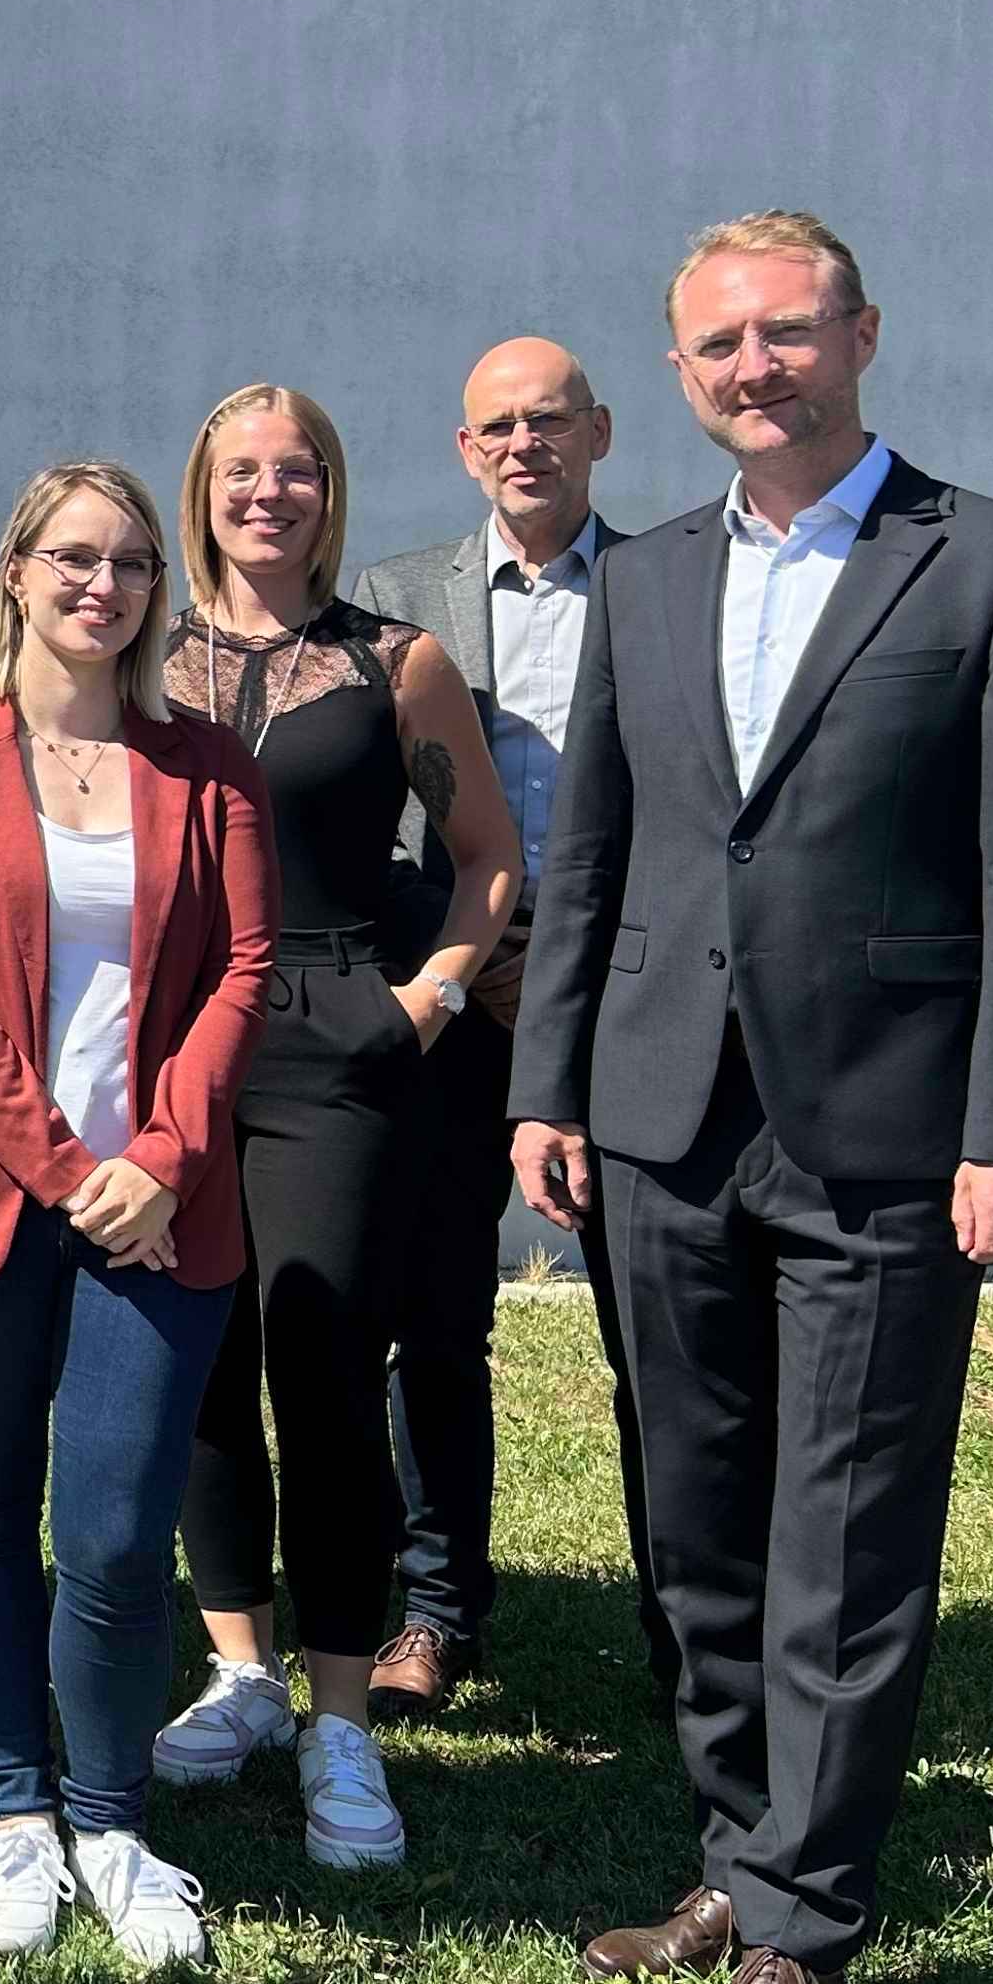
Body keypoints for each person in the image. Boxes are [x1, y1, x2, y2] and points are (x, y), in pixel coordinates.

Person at [516, 212, 993, 1984]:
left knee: (843, 1534)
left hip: (886, 1130)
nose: (753, 368)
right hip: (663, 1112)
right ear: (678, 377)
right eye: (716, 348)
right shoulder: (650, 576)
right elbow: (590, 856)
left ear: (860, 332)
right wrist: (548, 1085)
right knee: (693, 1515)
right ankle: (732, 1845)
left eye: (785, 333)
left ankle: (800, 1934)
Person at [0, 462, 275, 1970]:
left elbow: (243, 969)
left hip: (165, 1207)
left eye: (128, 563)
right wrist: (65, 1166)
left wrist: (160, 1156)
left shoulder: (209, 765)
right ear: (19, 573)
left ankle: (112, 1820)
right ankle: (16, 1812)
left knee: (108, 1531)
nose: (100, 585)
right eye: (72, 558)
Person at [157, 383, 516, 1873]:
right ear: (203, 488)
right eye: (240, 470)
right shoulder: (136, 648)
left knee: (320, 1360)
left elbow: (489, 854)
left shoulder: (396, 662)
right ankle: (238, 1667)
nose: (267, 493)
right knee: (196, 1361)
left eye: (294, 470)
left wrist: (425, 1001)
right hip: (172, 1038)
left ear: (329, 490)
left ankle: (341, 1713)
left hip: (333, 1035)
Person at [353, 340, 628, 1718]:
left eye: (550, 421)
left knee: (661, 1331)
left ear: (601, 433)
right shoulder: (395, 599)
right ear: (467, 450)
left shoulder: (665, 585)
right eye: (497, 426)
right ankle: (436, 1606)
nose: (525, 444)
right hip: (454, 998)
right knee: (435, 1316)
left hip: (631, 1006)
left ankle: (694, 1626)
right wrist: (469, 959)